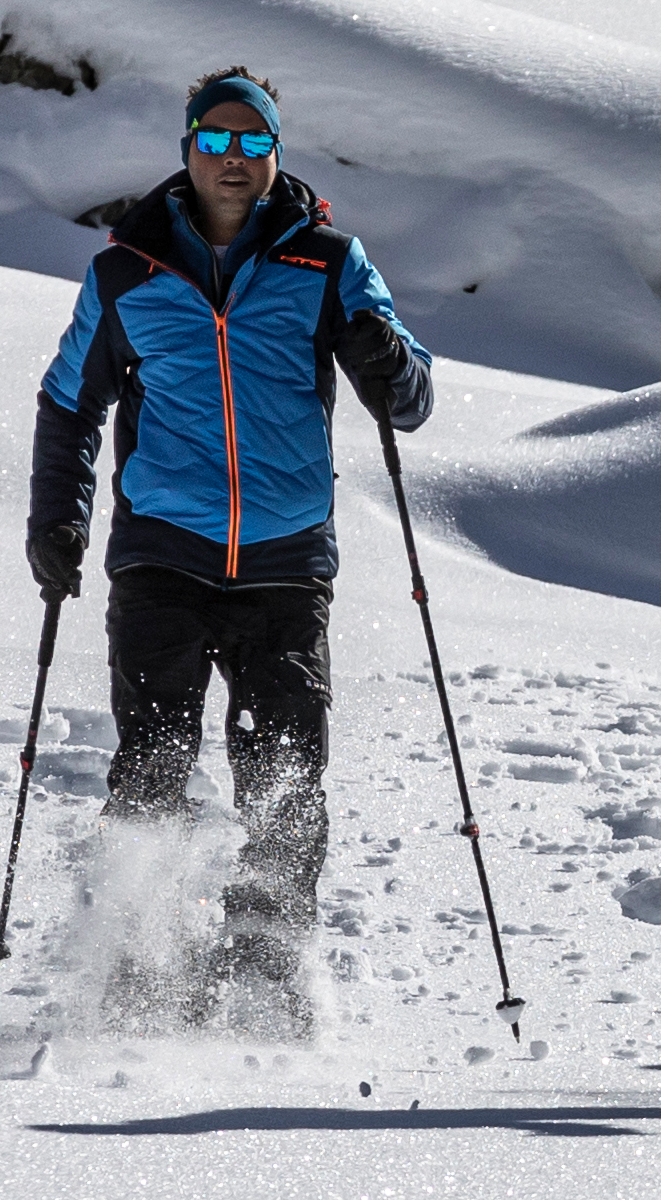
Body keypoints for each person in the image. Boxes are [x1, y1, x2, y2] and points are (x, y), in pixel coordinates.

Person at [24, 67, 435, 1033]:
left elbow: (408, 400)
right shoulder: (128, 270)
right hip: (162, 556)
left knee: (284, 782)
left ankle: (262, 974)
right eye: (217, 140)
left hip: (288, 566)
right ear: (187, 150)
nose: (235, 160)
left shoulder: (327, 261)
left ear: (278, 155)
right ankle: (138, 966)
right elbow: (69, 403)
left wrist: (387, 360)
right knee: (153, 770)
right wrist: (57, 520)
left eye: (255, 144)